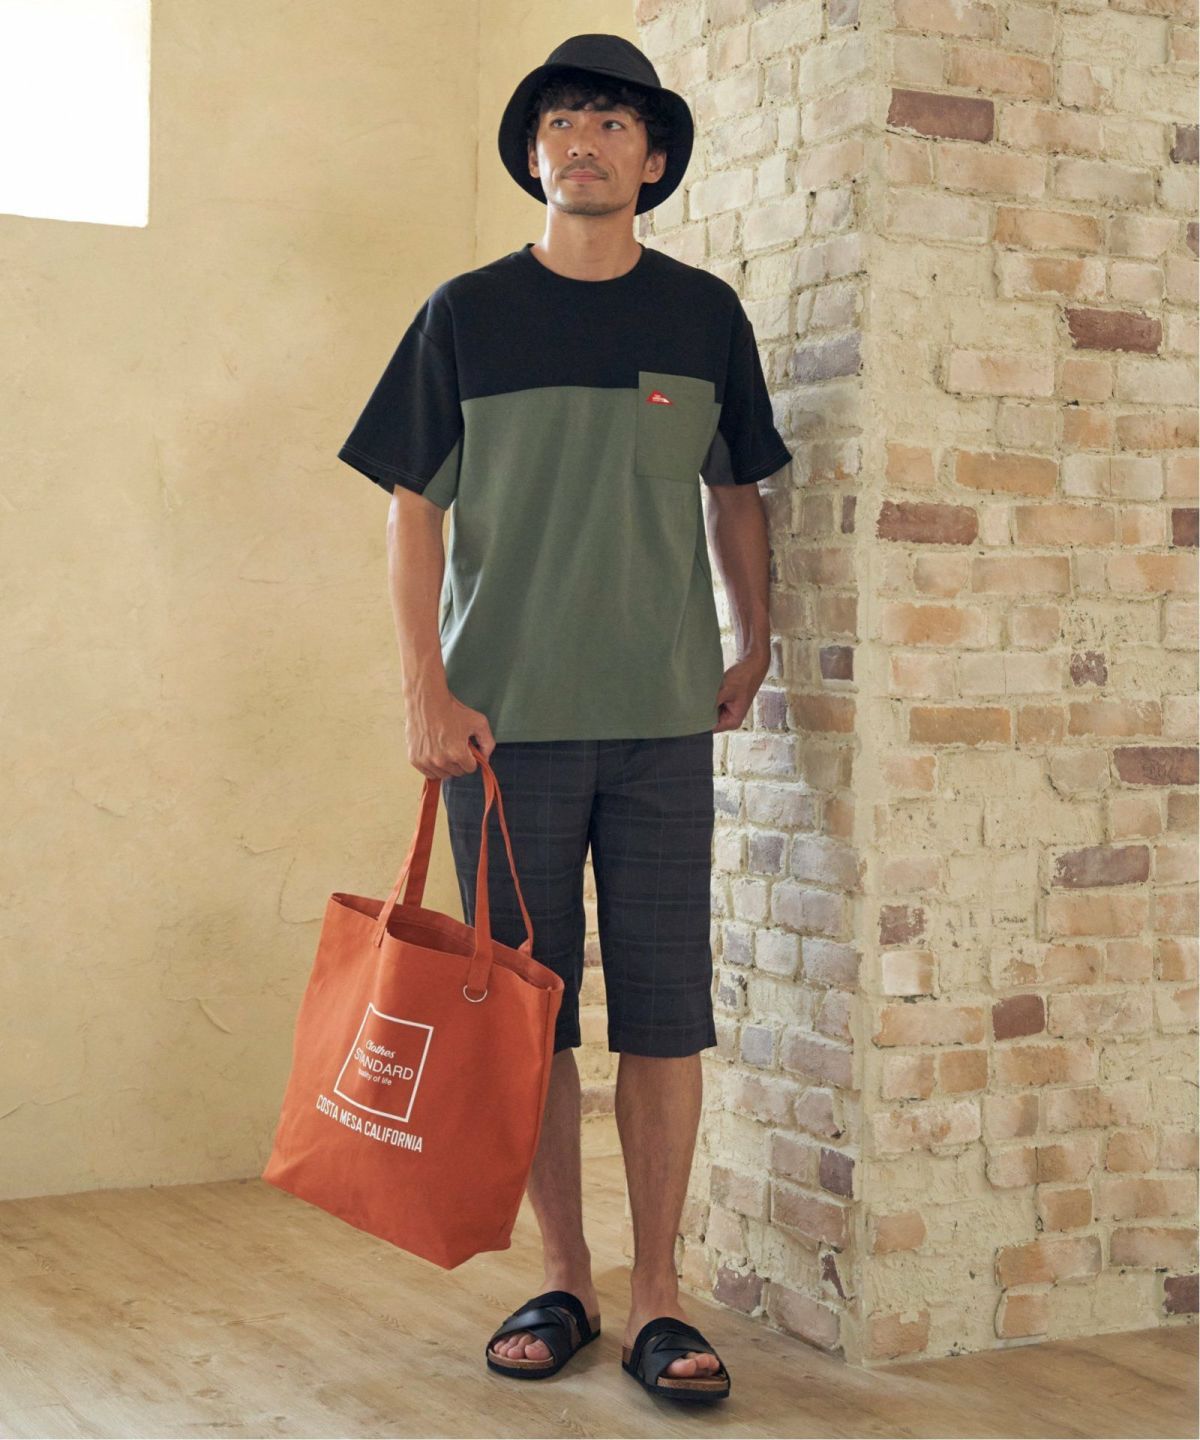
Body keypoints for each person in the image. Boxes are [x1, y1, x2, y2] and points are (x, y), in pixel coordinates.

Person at [336, 33, 792, 1406]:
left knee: (664, 1013)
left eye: (610, 122)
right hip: (500, 731)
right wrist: (424, 686)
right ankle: (567, 1280)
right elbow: (412, 510)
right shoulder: (466, 314)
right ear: (535, 155)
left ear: (653, 159)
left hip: (661, 724)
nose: (582, 141)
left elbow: (736, 493)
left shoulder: (705, 316)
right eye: (560, 123)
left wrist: (756, 638)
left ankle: (659, 1298)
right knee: (524, 1020)